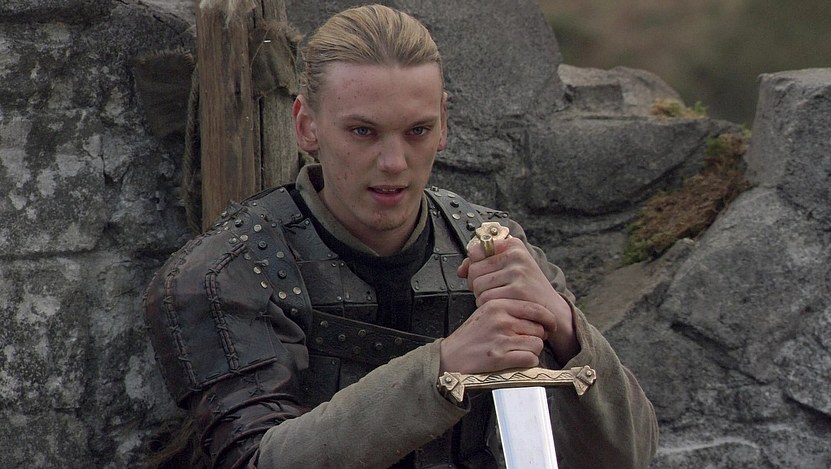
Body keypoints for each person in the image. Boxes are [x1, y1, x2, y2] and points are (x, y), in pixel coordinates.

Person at [145, 4, 658, 468]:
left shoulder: (498, 251)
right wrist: (446, 367)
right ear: (307, 126)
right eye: (363, 131)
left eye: (416, 131)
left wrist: (565, 326)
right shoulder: (225, 273)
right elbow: (254, 461)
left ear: (443, 126)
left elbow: (628, 456)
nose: (394, 163)